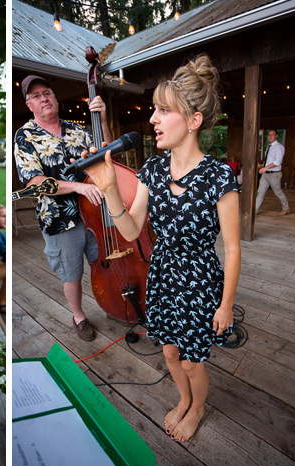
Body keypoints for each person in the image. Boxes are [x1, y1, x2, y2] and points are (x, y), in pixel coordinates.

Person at [80, 54, 240, 443]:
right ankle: (184, 400)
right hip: (162, 272)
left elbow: (233, 249)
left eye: (163, 110)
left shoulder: (220, 177)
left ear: (193, 120)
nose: (152, 119)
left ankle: (197, 408)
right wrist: (110, 188)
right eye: (155, 110)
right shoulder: (151, 169)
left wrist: (226, 305)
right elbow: (132, 230)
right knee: (169, 353)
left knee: (191, 359)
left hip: (200, 279)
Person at [13, 74, 112, 341]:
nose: (43, 98)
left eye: (47, 93)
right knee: (72, 273)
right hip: (59, 219)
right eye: (36, 96)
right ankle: (79, 316)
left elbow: (106, 154)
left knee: (104, 263)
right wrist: (78, 187)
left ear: (55, 98)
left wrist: (102, 119)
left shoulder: (77, 129)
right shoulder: (24, 136)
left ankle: (113, 303)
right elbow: (34, 181)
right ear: (29, 104)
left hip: (94, 210)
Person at [255, 129, 290, 215]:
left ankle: (286, 208)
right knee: (260, 192)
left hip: (274, 174)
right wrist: (262, 166)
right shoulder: (269, 147)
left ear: (276, 136)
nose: (270, 136)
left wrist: (265, 168)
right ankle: (255, 210)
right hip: (266, 174)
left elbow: (277, 162)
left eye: (272, 135)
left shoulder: (279, 147)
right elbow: (269, 161)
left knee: (278, 192)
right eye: (269, 135)